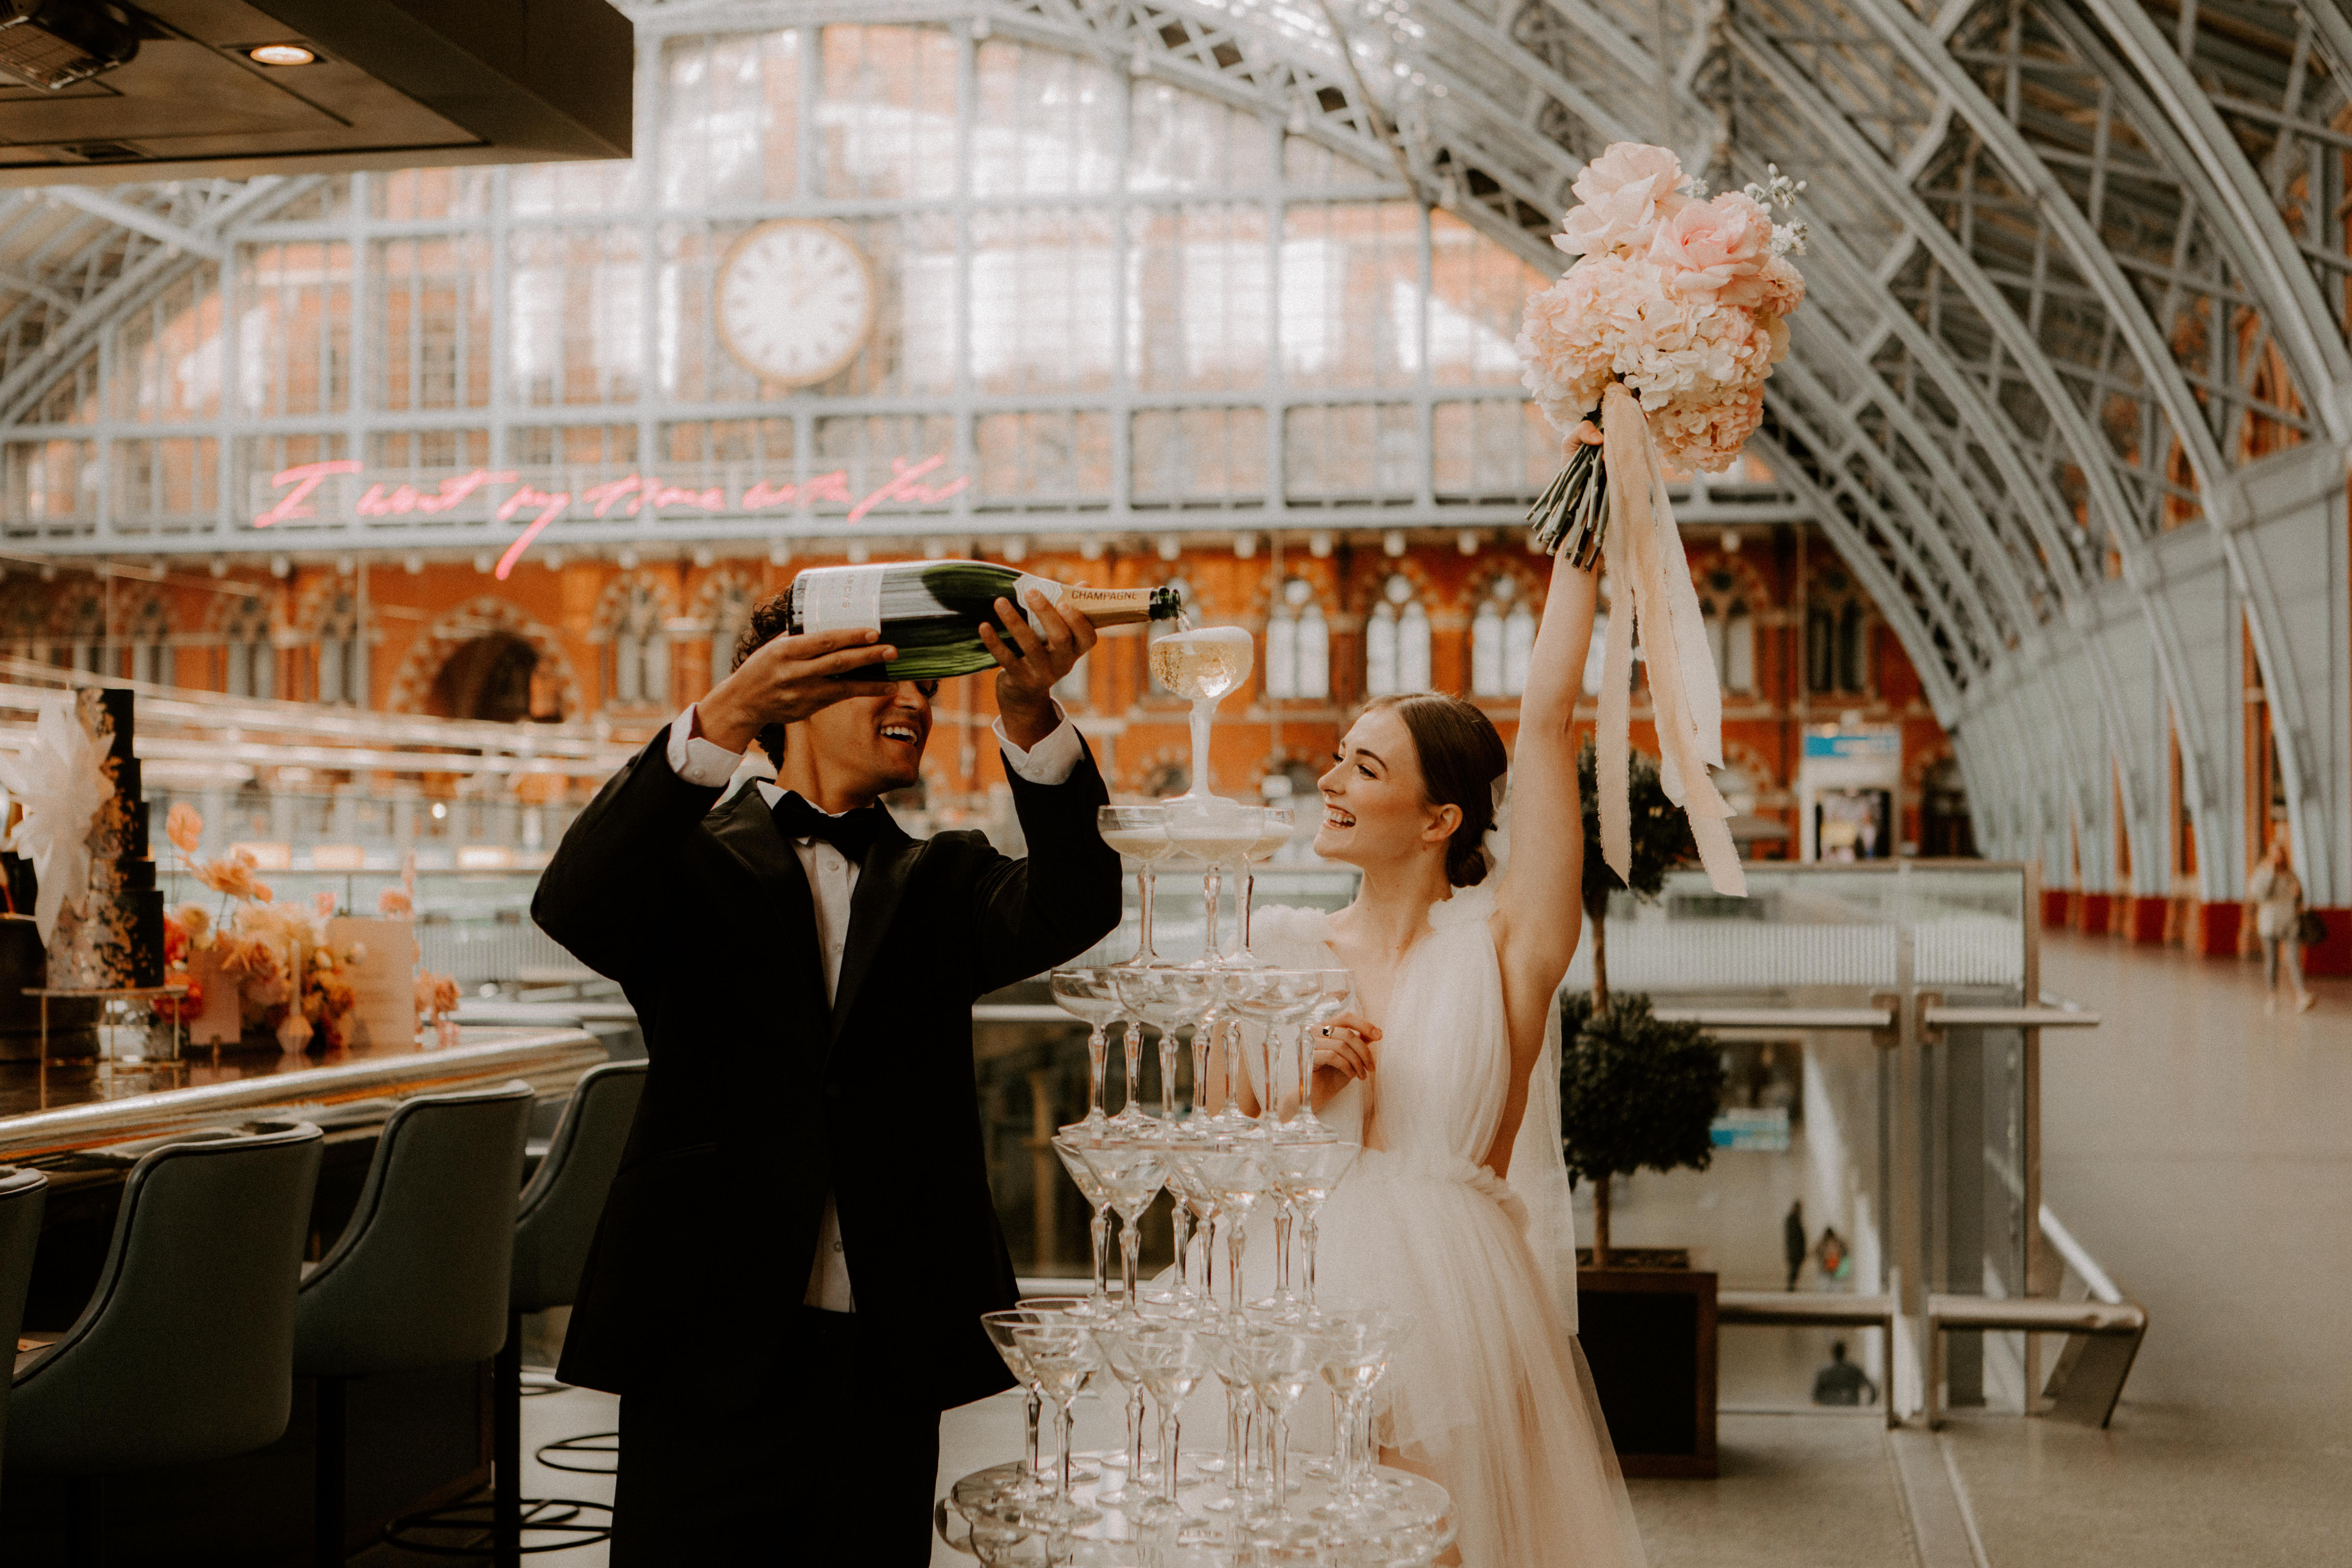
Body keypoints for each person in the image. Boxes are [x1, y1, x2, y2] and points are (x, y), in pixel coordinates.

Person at [532, 587, 1122, 1564]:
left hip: (885, 1352)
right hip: (704, 1338)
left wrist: (1030, 715)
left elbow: (1080, 901)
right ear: (794, 694)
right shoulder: (683, 866)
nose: (918, 702)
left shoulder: (947, 878)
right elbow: (571, 903)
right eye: (885, 680)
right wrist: (727, 712)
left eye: (928, 686)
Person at [1228, 546, 1646, 1568]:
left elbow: (1548, 719)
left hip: (1453, 1311)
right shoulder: (1274, 945)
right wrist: (1296, 1080)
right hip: (1284, 1293)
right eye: (1338, 757)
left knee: (1431, 1547)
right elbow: (1214, 1139)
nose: (1328, 781)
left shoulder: (1505, 951)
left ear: (1438, 820)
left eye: (1364, 769)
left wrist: (1583, 534)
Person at [2248, 830, 2317, 1014]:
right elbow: (2260, 895)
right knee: (2272, 961)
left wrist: (2298, 894)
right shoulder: (2262, 872)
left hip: (2290, 922)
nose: (2278, 858)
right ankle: (2272, 995)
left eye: (2280, 854)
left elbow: (2300, 899)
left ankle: (2301, 995)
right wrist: (2271, 873)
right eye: (2274, 854)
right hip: (2270, 923)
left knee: (2294, 960)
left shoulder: (2290, 874)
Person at [1811, 1341, 1878, 1406]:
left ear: (1832, 1353)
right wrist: (1869, 1406)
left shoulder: (1824, 1372)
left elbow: (1815, 1395)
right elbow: (1871, 1388)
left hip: (1830, 1409)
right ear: (1845, 1352)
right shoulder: (1854, 1370)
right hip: (1850, 1409)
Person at [1784, 1199, 1806, 1291]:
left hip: (1795, 1250)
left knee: (1795, 1269)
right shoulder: (1793, 1220)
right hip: (1795, 1250)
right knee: (1794, 1269)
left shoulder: (1794, 1219)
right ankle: (1791, 1286)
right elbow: (1795, 1237)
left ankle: (1791, 1286)